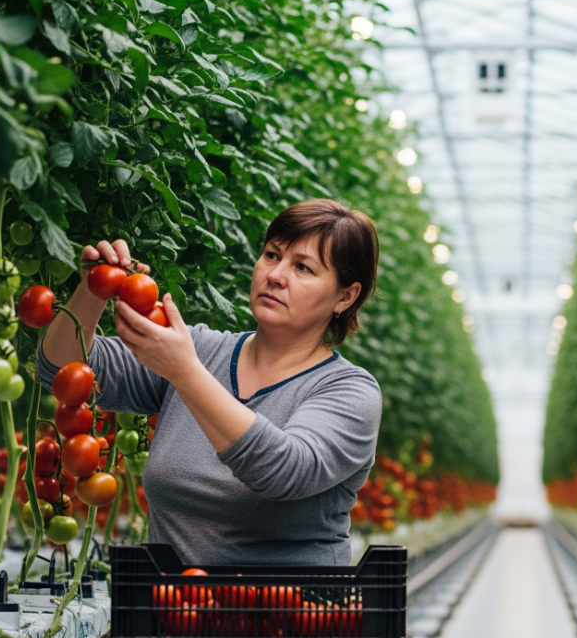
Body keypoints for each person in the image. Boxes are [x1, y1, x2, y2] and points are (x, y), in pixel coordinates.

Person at [36, 198, 383, 566]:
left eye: (303, 268)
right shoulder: (200, 350)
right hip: (174, 611)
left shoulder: (349, 391)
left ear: (345, 296)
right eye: (271, 255)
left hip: (292, 613)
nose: (276, 274)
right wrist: (93, 289)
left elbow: (284, 471)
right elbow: (61, 371)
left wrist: (184, 372)